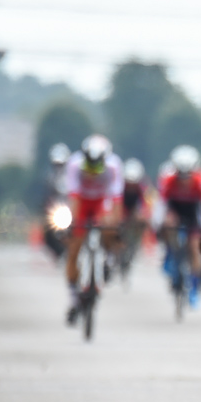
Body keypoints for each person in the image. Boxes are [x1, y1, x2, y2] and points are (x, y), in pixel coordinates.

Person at [63, 135, 123, 323]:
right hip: (82, 202)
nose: (92, 174)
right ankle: (74, 298)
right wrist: (71, 226)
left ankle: (108, 259)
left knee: (109, 227)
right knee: (74, 249)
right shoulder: (74, 164)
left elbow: (116, 202)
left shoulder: (114, 166)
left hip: (100, 203)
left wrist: (115, 227)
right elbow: (73, 199)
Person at [154, 145, 201, 306]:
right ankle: (170, 254)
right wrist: (158, 226)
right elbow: (161, 205)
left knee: (195, 249)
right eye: (180, 175)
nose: (184, 179)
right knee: (168, 223)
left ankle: (194, 288)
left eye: (187, 175)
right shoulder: (168, 181)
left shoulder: (200, 182)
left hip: (193, 212)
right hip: (175, 210)